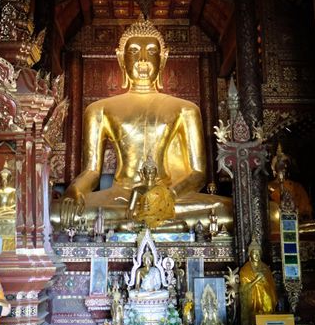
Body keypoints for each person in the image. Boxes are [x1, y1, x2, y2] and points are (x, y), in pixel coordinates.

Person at [56, 15, 232, 231]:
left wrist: (166, 196)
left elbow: (197, 173)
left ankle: (130, 224)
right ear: (121, 58)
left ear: (163, 58)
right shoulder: (98, 109)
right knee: (55, 214)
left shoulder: (186, 109)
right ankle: (156, 224)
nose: (142, 59)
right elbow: (91, 172)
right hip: (120, 197)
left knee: (228, 212)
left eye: (151, 51)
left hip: (171, 197)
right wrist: (74, 191)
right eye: (133, 52)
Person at [128, 155, 175, 229]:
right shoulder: (137, 189)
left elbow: (168, 207)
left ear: (156, 173)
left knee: (181, 225)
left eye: (152, 170)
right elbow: (130, 210)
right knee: (124, 226)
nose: (150, 173)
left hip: (160, 219)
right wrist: (130, 221)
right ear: (142, 173)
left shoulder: (163, 189)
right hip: (143, 220)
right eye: (147, 170)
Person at [239, 239, 277, 325]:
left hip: (265, 298)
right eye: (254, 253)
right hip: (252, 300)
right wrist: (256, 280)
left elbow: (271, 286)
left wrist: (264, 280)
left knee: (267, 295)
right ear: (250, 254)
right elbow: (243, 288)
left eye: (258, 253)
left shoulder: (265, 268)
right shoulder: (245, 269)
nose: (257, 255)